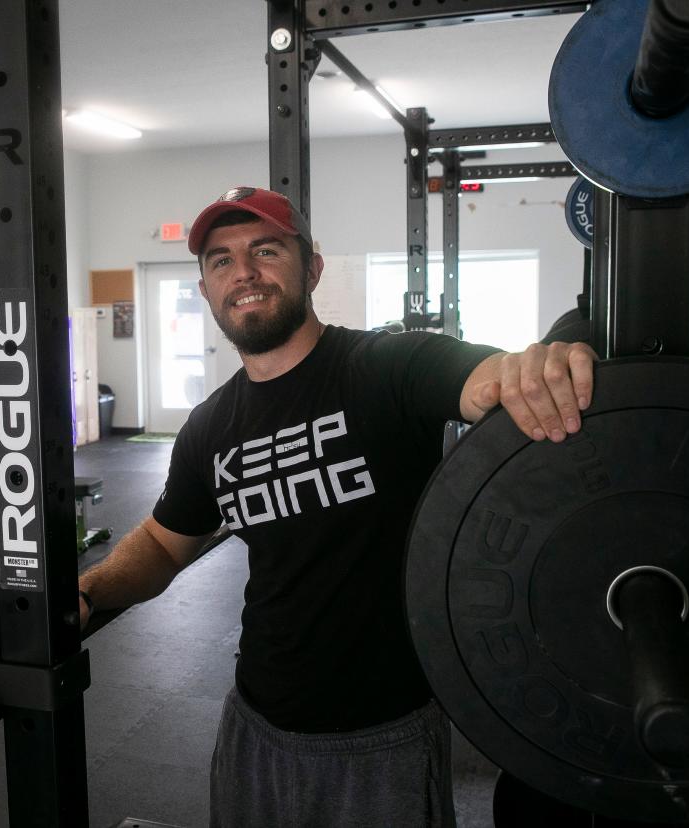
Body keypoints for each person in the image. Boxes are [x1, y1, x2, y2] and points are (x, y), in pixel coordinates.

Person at [77, 186, 596, 826]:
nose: (243, 272)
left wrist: (535, 368)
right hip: (256, 721)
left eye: (265, 250)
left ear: (311, 267)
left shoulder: (390, 364)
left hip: (385, 732)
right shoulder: (209, 428)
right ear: (207, 290)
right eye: (221, 261)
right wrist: (90, 592)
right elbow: (162, 544)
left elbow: (489, 379)